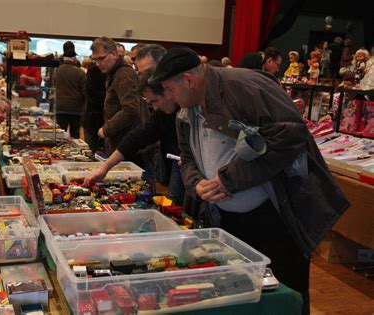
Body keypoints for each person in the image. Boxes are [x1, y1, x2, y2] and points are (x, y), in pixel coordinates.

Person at [149, 46, 350, 315]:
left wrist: (228, 180)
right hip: (229, 221)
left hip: (276, 216)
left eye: (170, 89)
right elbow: (186, 158)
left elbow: (291, 136)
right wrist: (195, 183)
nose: (168, 96)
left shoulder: (244, 86)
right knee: (242, 292)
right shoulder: (186, 111)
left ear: (188, 80)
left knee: (285, 294)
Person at [85, 69, 184, 205]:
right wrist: (105, 168)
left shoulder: (188, 110)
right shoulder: (162, 113)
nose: (154, 107)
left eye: (155, 101)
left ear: (169, 92)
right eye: (149, 103)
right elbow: (135, 138)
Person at [90, 36, 148, 156]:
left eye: (101, 58)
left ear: (114, 54)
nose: (98, 64)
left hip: (126, 144)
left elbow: (131, 109)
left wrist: (106, 129)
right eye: (95, 60)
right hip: (120, 141)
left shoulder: (124, 74)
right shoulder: (114, 73)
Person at [52, 41, 86, 138]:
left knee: (60, 135)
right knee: (75, 134)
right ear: (74, 58)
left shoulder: (57, 70)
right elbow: (84, 91)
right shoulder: (80, 72)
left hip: (60, 107)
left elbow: (54, 85)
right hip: (76, 108)